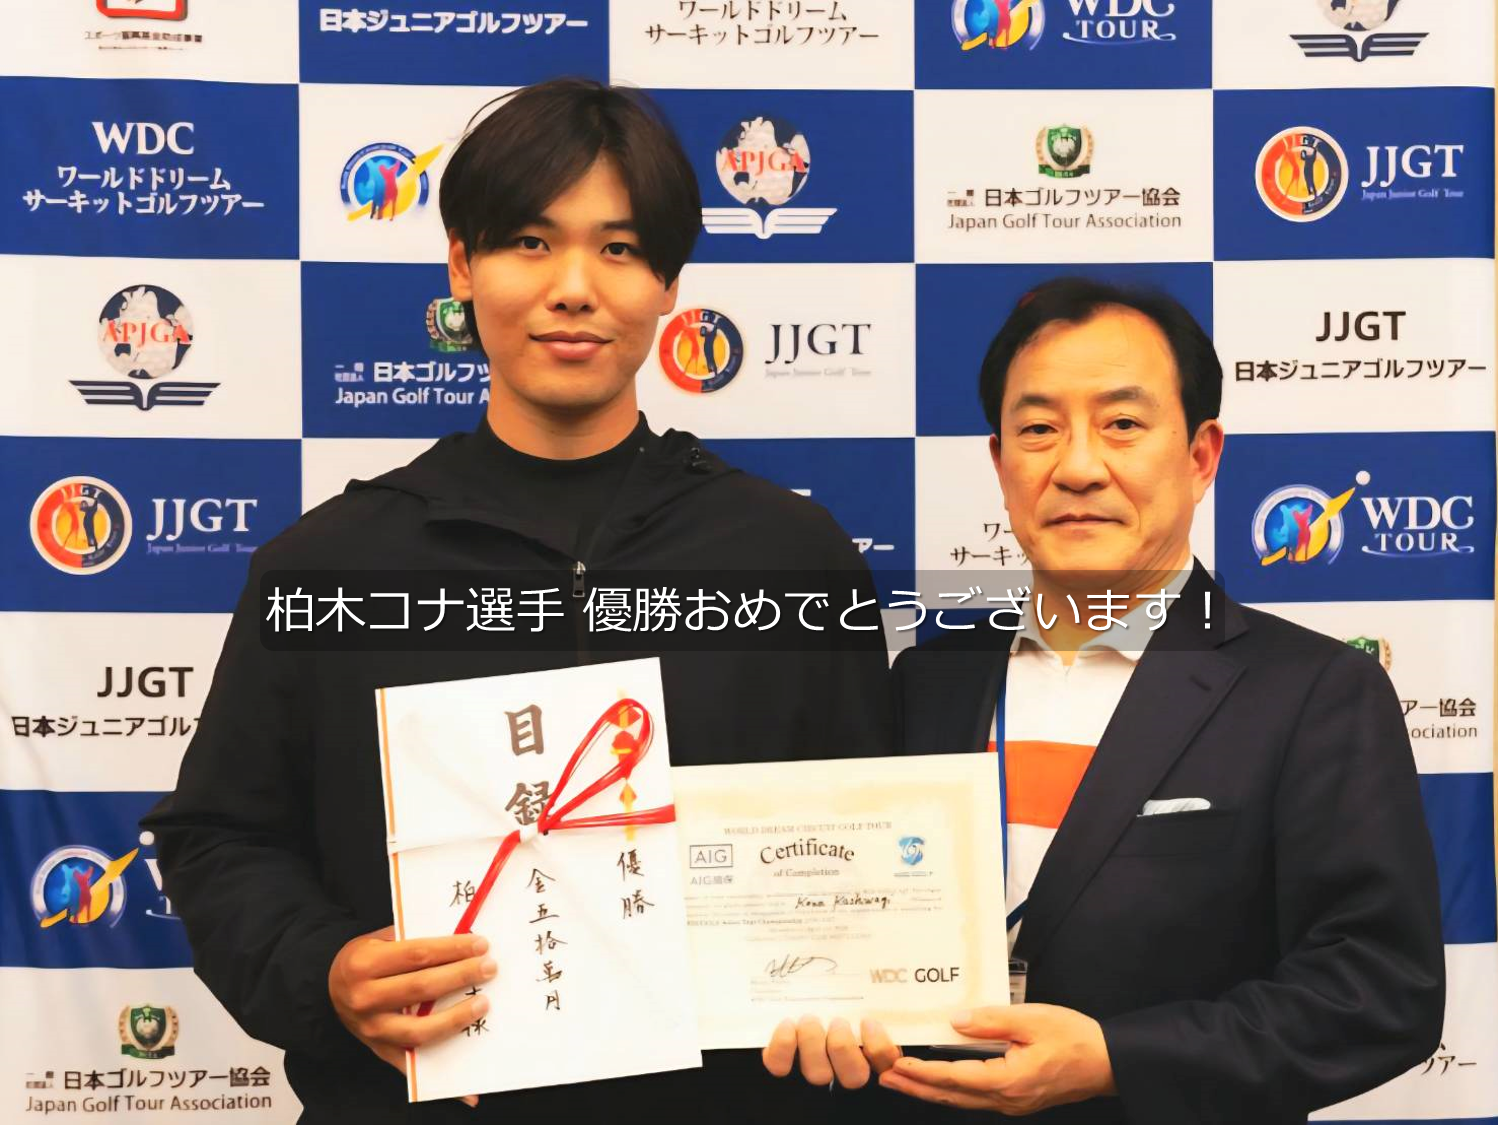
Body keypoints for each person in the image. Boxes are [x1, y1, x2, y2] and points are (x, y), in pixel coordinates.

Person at [143, 77, 892, 1124]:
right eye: (530, 243)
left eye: (619, 248)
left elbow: (866, 841)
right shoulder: (326, 566)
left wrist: (855, 982)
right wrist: (326, 968)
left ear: (669, 282)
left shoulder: (790, 559)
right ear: (462, 264)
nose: (573, 288)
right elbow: (220, 837)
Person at [764, 278, 1444, 1123]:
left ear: (1200, 456)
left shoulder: (1313, 690)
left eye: (1122, 423)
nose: (1079, 466)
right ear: (1000, 462)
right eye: (1039, 429)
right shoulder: (928, 681)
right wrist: (824, 1009)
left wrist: (1117, 1059)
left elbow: (1379, 988)